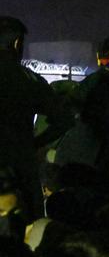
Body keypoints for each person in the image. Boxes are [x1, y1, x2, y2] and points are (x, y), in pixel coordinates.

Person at [0, 16, 70, 217]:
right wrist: (35, 143)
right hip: (20, 173)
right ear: (16, 43)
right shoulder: (29, 79)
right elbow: (64, 120)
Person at [75, 37, 109, 173]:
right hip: (93, 156)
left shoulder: (94, 80)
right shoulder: (107, 82)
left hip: (83, 153)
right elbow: (99, 120)